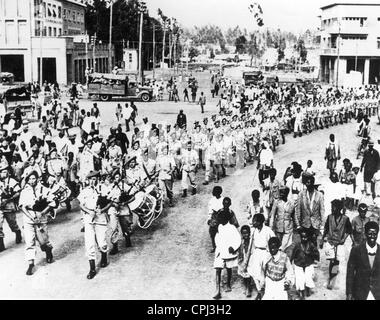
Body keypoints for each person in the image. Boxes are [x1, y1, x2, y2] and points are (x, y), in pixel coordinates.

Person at [18, 171, 56, 275]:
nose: (31, 181)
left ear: (37, 179)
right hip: (29, 219)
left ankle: (48, 251)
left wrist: (43, 212)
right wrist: (31, 217)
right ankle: (31, 264)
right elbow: (22, 207)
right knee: (29, 242)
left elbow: (52, 203)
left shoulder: (44, 189)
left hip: (41, 217)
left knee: (43, 240)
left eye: (33, 178)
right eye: (29, 179)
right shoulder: (25, 191)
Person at [77, 171, 111, 279]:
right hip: (89, 217)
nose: (93, 181)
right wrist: (88, 210)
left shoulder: (103, 188)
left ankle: (104, 255)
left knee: (102, 242)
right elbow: (81, 204)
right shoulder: (85, 191)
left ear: (98, 179)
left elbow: (110, 202)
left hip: (100, 216)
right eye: (91, 179)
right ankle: (92, 268)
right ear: (88, 180)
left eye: (95, 178)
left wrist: (103, 210)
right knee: (89, 243)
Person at [320, 199, 354, 290]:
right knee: (332, 260)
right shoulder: (329, 217)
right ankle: (331, 277)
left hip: (339, 243)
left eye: (334, 207)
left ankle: (333, 277)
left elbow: (349, 231)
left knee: (336, 261)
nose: (332, 209)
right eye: (331, 207)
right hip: (330, 242)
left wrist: (344, 239)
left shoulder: (345, 219)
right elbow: (326, 229)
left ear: (339, 208)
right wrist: (322, 239)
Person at [346, 221, 380, 300]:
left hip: (377, 293)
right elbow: (350, 273)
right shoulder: (356, 250)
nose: (372, 236)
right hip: (360, 293)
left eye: (375, 234)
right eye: (369, 233)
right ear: (365, 234)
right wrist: (349, 293)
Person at [212, 208, 241, 300]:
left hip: (228, 253)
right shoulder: (219, 227)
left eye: (221, 218)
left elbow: (238, 239)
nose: (219, 220)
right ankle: (218, 290)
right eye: (219, 218)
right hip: (220, 251)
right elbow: (217, 237)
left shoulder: (232, 228)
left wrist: (233, 247)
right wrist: (218, 246)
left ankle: (228, 283)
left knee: (229, 268)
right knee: (218, 269)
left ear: (226, 219)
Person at [245, 213, 275, 300]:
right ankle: (259, 291)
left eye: (255, 221)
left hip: (266, 253)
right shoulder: (254, 231)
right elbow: (251, 244)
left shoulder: (268, 230)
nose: (253, 222)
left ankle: (265, 291)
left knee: (265, 274)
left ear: (260, 222)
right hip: (256, 253)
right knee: (253, 272)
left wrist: (272, 254)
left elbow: (274, 241)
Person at [295, 175, 325, 246]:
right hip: (304, 224)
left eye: (309, 183)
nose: (307, 184)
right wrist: (298, 225)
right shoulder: (301, 194)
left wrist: (322, 226)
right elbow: (298, 210)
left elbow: (322, 211)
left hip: (315, 225)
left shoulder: (319, 195)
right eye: (306, 183)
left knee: (313, 246)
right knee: (304, 245)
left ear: (313, 183)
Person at [290, 228, 320, 300]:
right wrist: (291, 261)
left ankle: (308, 288)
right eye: (302, 237)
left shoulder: (311, 245)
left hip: (308, 263)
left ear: (308, 237)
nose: (304, 239)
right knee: (300, 278)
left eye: (305, 237)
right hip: (299, 263)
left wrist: (315, 258)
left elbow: (316, 252)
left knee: (308, 277)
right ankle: (301, 292)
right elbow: (293, 253)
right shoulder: (298, 245)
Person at [0, 164, 22, 252]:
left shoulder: (12, 181)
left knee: (12, 223)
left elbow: (18, 192)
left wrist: (9, 199)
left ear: (8, 173)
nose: (2, 174)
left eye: (4, 172)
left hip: (9, 205)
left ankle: (17, 232)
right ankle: (1, 245)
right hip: (0, 206)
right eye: (1, 172)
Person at [269, 186, 295, 253]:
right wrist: (271, 226)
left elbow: (294, 216)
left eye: (283, 192)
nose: (281, 194)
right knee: (278, 244)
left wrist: (297, 226)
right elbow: (272, 215)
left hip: (288, 227)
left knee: (285, 245)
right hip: (278, 227)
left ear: (287, 193)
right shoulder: (277, 202)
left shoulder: (291, 203)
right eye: (280, 192)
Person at [207, 186, 224, 252]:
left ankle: (221, 246)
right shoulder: (212, 200)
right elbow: (210, 211)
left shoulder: (223, 199)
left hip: (221, 217)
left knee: (221, 232)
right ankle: (214, 246)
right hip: (214, 218)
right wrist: (209, 219)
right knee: (212, 232)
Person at [238, 225, 253, 297]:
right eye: (243, 233)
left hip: (250, 259)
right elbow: (239, 250)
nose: (245, 235)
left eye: (246, 233)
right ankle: (246, 285)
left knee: (249, 273)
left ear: (249, 233)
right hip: (243, 258)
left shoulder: (251, 242)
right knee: (244, 273)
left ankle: (248, 287)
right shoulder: (241, 241)